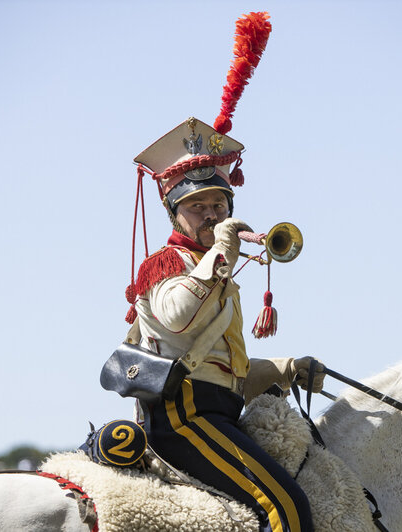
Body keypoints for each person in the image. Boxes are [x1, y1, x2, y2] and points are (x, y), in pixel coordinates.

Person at [124, 115, 325, 532]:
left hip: (215, 413)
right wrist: (223, 251)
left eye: (219, 206)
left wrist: (286, 368)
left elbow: (220, 374)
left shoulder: (214, 274)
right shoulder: (165, 266)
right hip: (182, 419)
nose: (210, 215)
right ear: (174, 214)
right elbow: (178, 319)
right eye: (197, 207)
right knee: (286, 506)